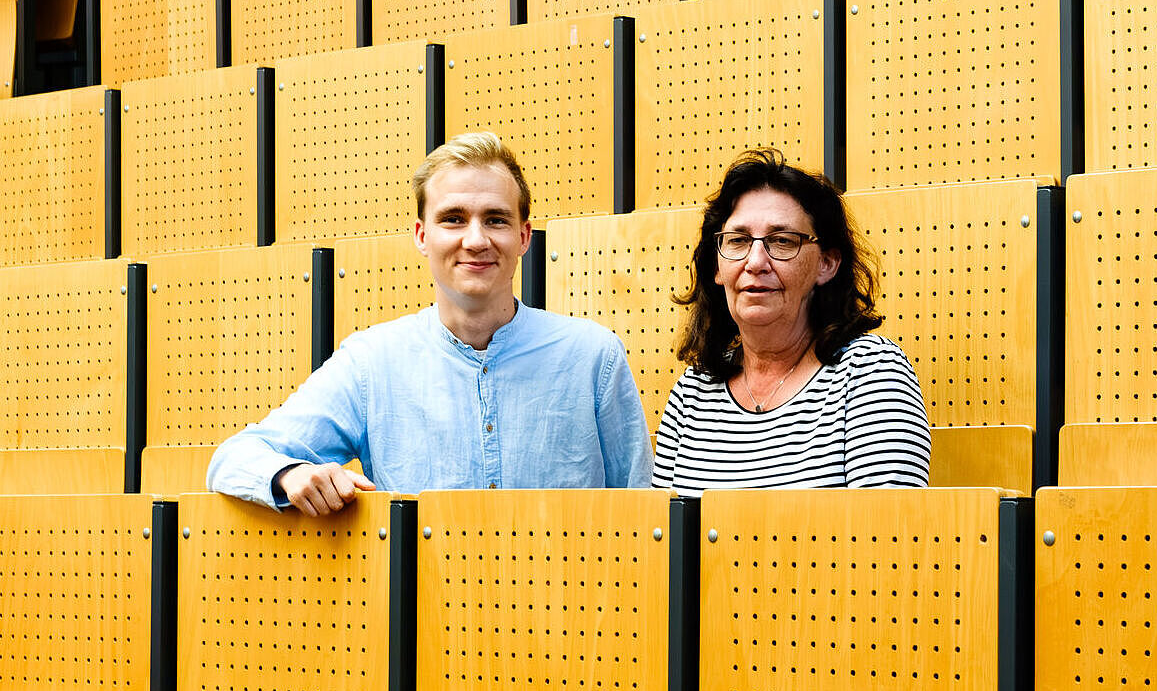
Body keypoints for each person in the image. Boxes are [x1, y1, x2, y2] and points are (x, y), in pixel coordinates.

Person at [208, 132, 653, 514]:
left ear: (523, 237)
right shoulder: (370, 364)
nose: (475, 240)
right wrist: (291, 472)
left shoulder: (594, 357)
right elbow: (234, 458)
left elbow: (643, 508)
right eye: (453, 219)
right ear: (423, 236)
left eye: (495, 219)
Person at [653, 149, 930, 493]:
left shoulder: (869, 370)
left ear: (826, 264)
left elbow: (886, 535)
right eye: (737, 241)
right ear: (716, 269)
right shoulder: (692, 391)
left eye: (782, 241)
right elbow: (668, 538)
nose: (755, 261)